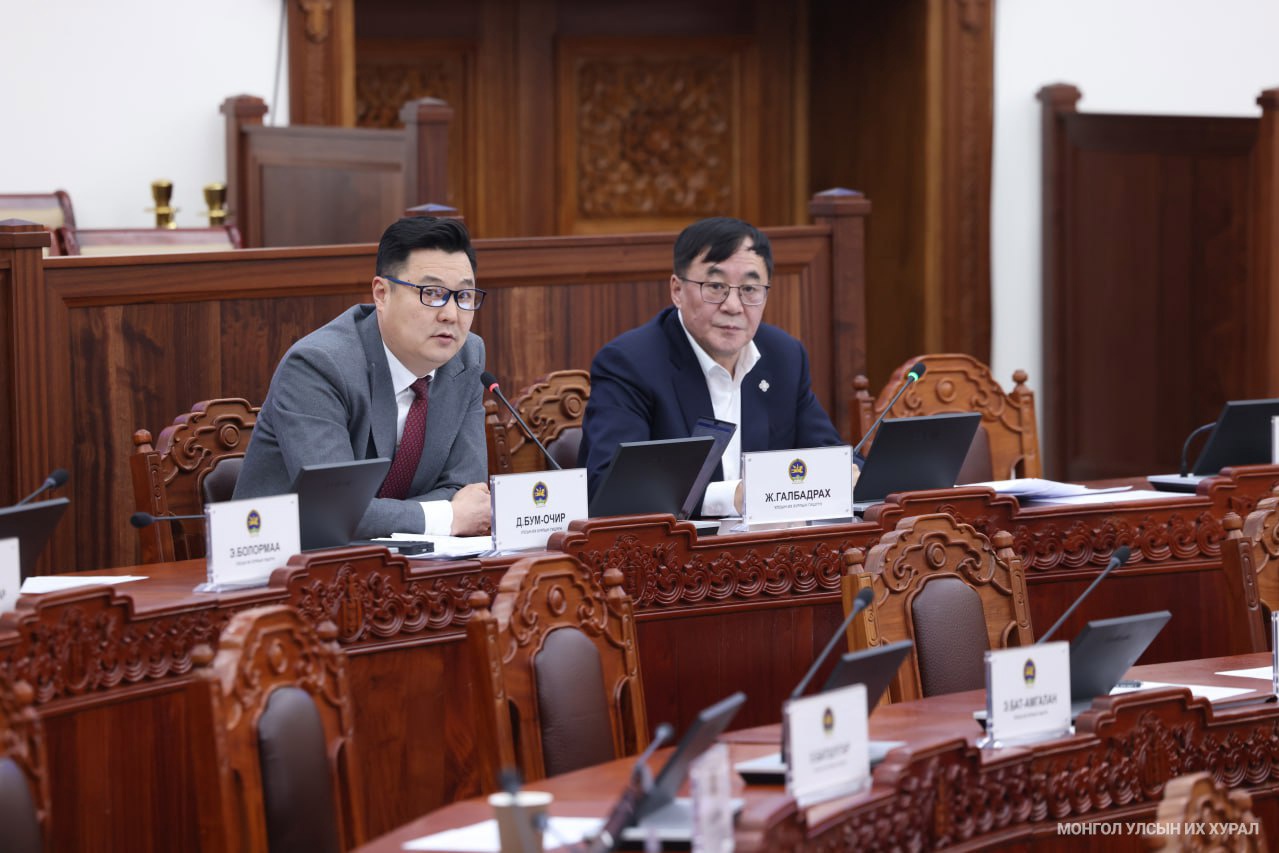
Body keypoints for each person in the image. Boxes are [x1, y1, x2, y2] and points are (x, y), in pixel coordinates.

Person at [234, 216, 491, 537]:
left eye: (464, 297)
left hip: (412, 560)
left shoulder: (466, 357)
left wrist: (385, 515)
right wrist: (446, 516)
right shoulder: (317, 366)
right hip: (285, 556)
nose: (451, 314)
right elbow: (333, 511)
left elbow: (468, 493)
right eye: (432, 293)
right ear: (381, 294)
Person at [578, 216, 849, 516]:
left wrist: (849, 474)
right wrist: (732, 497)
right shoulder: (630, 364)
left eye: (750, 289)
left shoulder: (783, 357)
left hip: (771, 542)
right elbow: (609, 488)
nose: (733, 305)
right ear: (677, 290)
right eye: (716, 286)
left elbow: (828, 454)